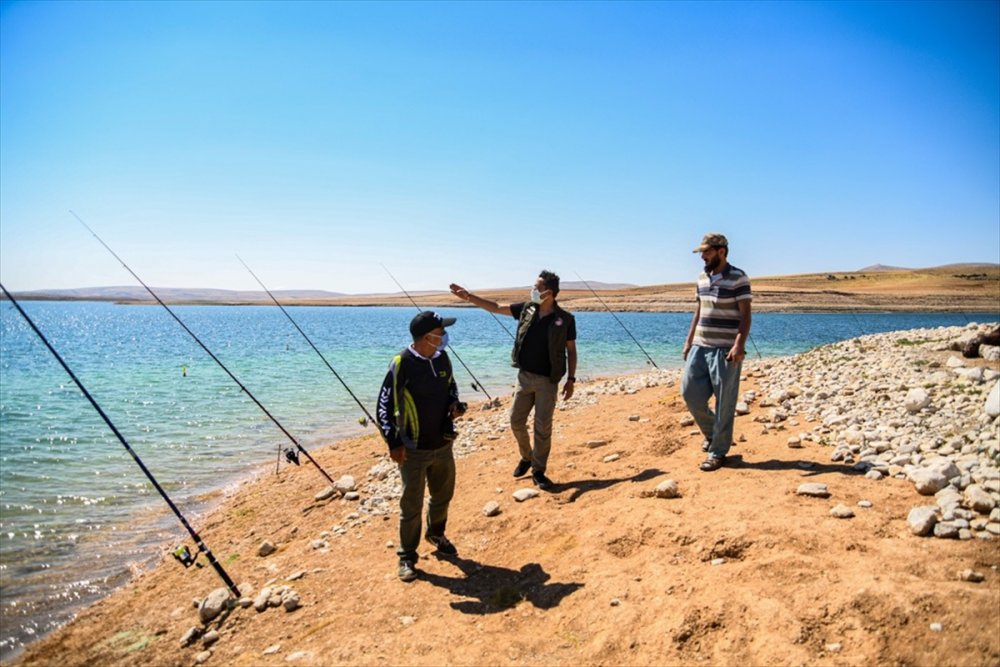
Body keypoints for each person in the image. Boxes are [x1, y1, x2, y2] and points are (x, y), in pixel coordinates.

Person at [449, 271, 577, 491]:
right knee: (515, 421)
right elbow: (497, 308)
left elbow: (571, 350)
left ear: (549, 292)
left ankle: (538, 471)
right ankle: (527, 456)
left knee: (542, 428)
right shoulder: (527, 309)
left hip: (548, 381)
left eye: (537, 287)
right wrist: (469, 297)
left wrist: (571, 379)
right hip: (524, 378)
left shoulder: (565, 319)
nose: (533, 290)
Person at [377, 311, 466, 582]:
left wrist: (454, 405)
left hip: (443, 443)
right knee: (411, 505)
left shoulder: (443, 358)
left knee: (443, 496)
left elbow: (451, 387)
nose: (445, 336)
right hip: (413, 449)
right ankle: (407, 556)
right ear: (427, 337)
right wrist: (393, 442)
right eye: (441, 332)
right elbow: (384, 405)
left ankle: (436, 534)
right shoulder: (401, 363)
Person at [681, 233, 752, 472]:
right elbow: (698, 311)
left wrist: (738, 345)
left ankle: (718, 451)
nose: (702, 256)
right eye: (702, 252)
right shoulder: (702, 277)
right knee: (689, 393)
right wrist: (688, 341)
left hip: (725, 349)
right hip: (700, 346)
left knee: (725, 403)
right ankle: (713, 433)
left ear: (721, 251)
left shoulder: (738, 278)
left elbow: (745, 316)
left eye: (707, 252)